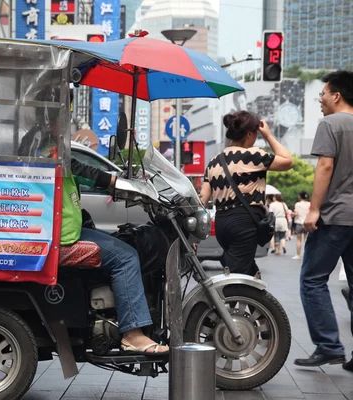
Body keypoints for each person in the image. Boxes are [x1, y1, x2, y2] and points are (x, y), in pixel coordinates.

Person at [19, 86, 168, 355]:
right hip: (61, 237)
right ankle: (132, 333)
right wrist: (115, 181)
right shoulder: (48, 145)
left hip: (62, 230)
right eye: (65, 112)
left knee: (116, 242)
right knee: (126, 256)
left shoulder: (38, 139)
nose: (68, 119)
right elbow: (79, 168)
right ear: (54, 113)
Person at [296, 70, 353, 368]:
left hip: (335, 217)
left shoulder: (330, 124)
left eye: (323, 93)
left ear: (336, 96)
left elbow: (325, 167)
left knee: (312, 280)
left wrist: (314, 209)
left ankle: (329, 345)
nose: (320, 99)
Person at [199, 111, 293, 276]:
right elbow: (287, 161)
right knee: (237, 279)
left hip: (221, 223)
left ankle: (256, 302)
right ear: (249, 134)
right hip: (244, 223)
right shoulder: (254, 156)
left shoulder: (214, 161)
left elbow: (203, 199)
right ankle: (223, 301)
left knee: (249, 273)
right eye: (256, 133)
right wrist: (269, 136)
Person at [292, 191, 310, 260]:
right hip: (307, 223)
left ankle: (298, 255)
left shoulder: (298, 204)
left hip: (299, 223)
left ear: (300, 196)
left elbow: (296, 213)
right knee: (306, 240)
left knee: (299, 240)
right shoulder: (309, 204)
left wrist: (292, 213)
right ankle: (307, 254)